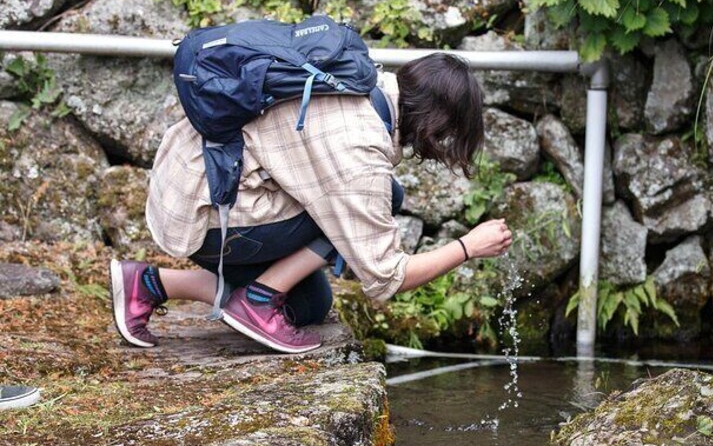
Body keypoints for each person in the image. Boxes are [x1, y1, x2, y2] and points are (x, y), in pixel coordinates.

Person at [109, 53, 513, 353]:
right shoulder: (361, 151)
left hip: (193, 180)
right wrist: (467, 248)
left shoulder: (355, 76)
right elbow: (387, 279)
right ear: (435, 124)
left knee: (309, 306)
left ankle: (147, 283)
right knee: (387, 196)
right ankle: (259, 299)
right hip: (207, 214)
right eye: (446, 137)